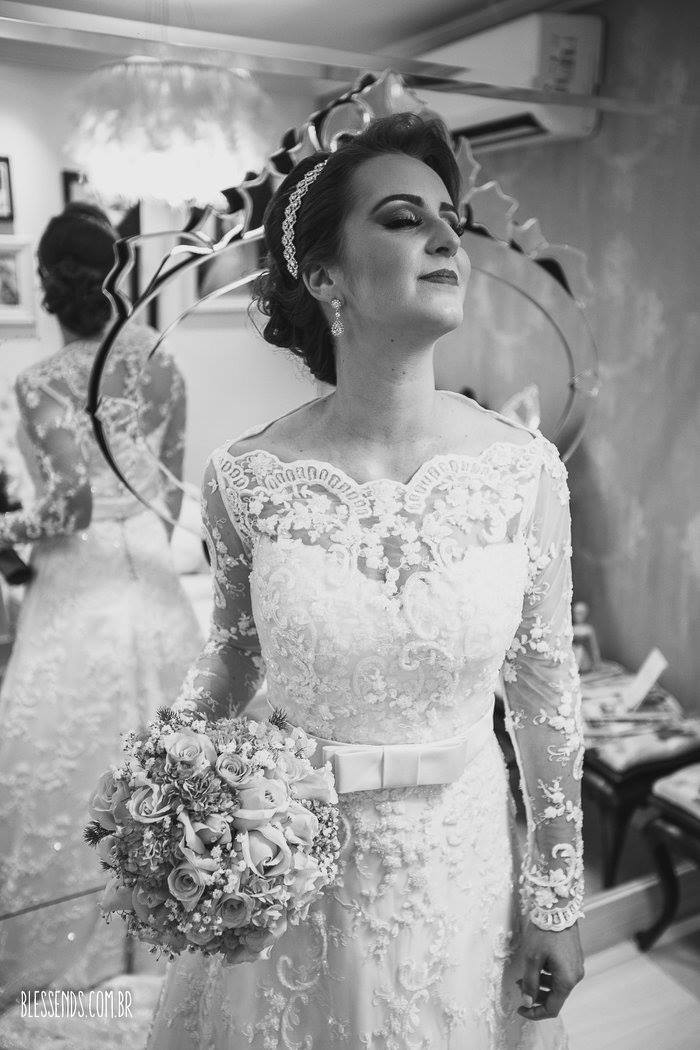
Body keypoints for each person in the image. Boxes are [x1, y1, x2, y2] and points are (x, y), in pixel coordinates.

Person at [146, 113, 585, 1049]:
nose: (446, 238)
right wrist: (163, 789)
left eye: (450, 219)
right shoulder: (247, 480)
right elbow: (229, 664)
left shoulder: (524, 471)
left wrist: (555, 893)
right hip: (293, 866)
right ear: (324, 276)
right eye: (402, 218)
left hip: (464, 863)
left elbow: (546, 697)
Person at [0, 202, 203, 1011]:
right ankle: (175, 942)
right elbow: (169, 490)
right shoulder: (161, 361)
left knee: (68, 762)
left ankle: (71, 965)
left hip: (79, 588)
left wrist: (8, 527)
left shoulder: (41, 381)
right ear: (116, 276)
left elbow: (69, 505)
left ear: (49, 284)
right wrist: (143, 545)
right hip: (150, 580)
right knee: (168, 763)